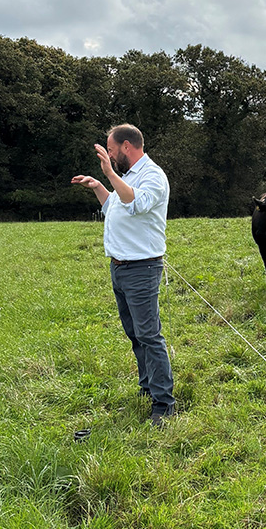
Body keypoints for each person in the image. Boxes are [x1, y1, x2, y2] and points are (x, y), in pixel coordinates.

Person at [71, 124, 176, 428]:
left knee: (149, 336)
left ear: (127, 146)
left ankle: (163, 403)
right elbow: (115, 206)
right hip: (120, 267)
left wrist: (109, 174)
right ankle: (147, 387)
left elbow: (135, 203)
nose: (111, 157)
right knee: (135, 334)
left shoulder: (152, 176)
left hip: (142, 268)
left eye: (112, 150)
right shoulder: (128, 177)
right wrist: (98, 187)